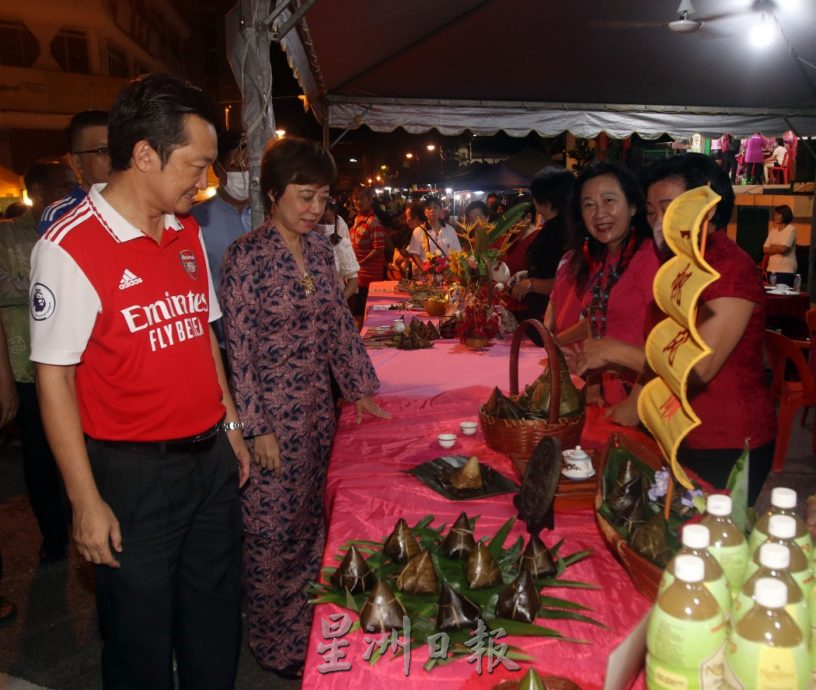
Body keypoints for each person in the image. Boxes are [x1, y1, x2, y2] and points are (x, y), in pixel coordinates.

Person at [29, 73, 250, 690]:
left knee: (215, 621)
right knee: (138, 639)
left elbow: (203, 334)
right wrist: (84, 501)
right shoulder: (69, 247)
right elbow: (54, 382)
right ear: (146, 154)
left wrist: (232, 425)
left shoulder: (186, 231)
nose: (205, 180)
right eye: (196, 164)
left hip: (210, 462)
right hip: (133, 476)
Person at [220, 136, 388, 678]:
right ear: (273, 193)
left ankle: (308, 624)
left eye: (322, 197)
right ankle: (273, 641)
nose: (316, 209)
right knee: (272, 533)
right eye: (305, 196)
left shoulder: (318, 250)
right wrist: (255, 428)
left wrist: (361, 390)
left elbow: (338, 327)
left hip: (318, 411)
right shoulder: (246, 257)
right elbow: (238, 351)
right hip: (272, 419)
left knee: (313, 523)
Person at [577, 154, 776, 504]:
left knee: (708, 533)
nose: (659, 222)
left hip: (726, 440)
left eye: (669, 208)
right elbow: (664, 344)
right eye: (652, 212)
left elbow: (699, 367)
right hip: (676, 431)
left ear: (707, 208)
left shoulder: (730, 268)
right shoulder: (679, 266)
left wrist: (613, 351)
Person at [0, 161, 76, 563]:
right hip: (27, 364)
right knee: (40, 454)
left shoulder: (77, 230)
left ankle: (81, 516)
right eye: (62, 186)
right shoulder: (8, 235)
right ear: (36, 191)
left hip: (79, 363)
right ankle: (53, 533)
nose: (70, 193)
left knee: (81, 447)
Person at [544, 162, 660, 422]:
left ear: (633, 206)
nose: (599, 213)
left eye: (609, 200)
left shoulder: (650, 258)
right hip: (612, 400)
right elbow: (596, 324)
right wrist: (594, 384)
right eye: (589, 205)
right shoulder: (602, 260)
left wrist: (636, 401)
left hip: (648, 405)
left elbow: (668, 344)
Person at [190, 130, 253, 297]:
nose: (245, 174)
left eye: (249, 168)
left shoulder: (268, 215)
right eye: (237, 167)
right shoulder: (196, 219)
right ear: (218, 169)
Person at [508, 167, 574, 322]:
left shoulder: (561, 231)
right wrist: (527, 274)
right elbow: (549, 267)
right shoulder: (555, 227)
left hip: (551, 315)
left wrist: (530, 283)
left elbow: (565, 281)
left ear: (545, 199)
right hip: (542, 310)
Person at [38, 110, 111, 235]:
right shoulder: (61, 215)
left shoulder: (139, 206)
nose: (116, 158)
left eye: (120, 149)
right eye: (103, 151)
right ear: (77, 163)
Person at [348, 185, 386, 319]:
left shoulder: (373, 221)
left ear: (370, 200)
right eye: (356, 199)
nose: (358, 202)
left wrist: (361, 263)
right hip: (358, 275)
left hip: (370, 277)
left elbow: (379, 248)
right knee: (357, 314)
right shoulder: (357, 219)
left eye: (362, 198)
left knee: (368, 315)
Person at [317, 200, 360, 300]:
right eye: (321, 222)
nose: (325, 227)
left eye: (329, 222)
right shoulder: (303, 243)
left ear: (336, 222)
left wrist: (339, 301)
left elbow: (353, 280)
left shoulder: (341, 245)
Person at [407, 196, 461, 270]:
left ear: (440, 210)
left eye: (435, 207)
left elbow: (457, 252)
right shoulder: (418, 231)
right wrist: (425, 269)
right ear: (425, 212)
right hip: (428, 274)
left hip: (448, 273)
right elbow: (415, 254)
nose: (432, 210)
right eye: (429, 208)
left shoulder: (450, 230)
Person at [763, 204, 797, 286]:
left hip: (786, 270)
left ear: (785, 215)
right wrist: (778, 247)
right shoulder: (773, 231)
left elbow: (783, 249)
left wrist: (772, 246)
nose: (775, 217)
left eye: (778, 214)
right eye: (774, 215)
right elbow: (765, 249)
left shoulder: (790, 229)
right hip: (771, 268)